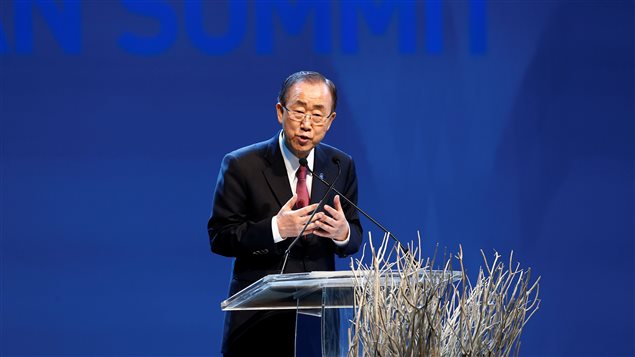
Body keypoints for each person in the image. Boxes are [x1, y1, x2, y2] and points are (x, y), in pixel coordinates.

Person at [207, 71, 363, 356]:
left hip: (318, 322)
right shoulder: (242, 165)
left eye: (318, 115)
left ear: (330, 121)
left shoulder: (341, 165)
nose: (306, 125)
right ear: (280, 111)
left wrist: (343, 233)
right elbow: (220, 237)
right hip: (257, 322)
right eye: (299, 111)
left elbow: (353, 237)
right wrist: (277, 228)